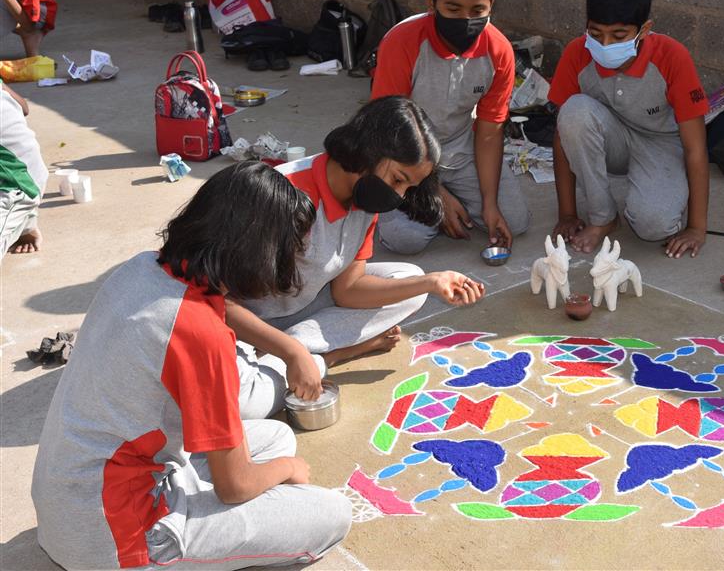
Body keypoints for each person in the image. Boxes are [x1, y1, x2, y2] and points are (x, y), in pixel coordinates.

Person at [31, 161, 352, 570]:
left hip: (69, 500)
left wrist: (290, 350)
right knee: (329, 512)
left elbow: (221, 314)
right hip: (115, 540)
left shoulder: (143, 267)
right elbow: (235, 486)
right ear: (260, 252)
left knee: (274, 436)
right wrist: (290, 470)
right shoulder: (201, 335)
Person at [226, 96, 486, 419]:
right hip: (244, 327)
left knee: (410, 283)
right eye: (398, 180)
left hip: (302, 310)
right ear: (369, 151)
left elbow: (347, 289)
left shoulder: (366, 199)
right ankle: (325, 355)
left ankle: (293, 356)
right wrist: (291, 351)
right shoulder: (283, 194)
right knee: (239, 403)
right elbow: (218, 303)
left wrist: (432, 282)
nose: (399, 196)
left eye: (408, 187)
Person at [370, 0, 529, 255]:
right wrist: (434, 195)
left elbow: (488, 133)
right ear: (431, 2)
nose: (465, 20)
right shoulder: (401, 42)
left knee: (514, 220)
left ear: (491, 4)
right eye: (453, 9)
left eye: (477, 11)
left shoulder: (498, 51)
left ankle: (447, 204)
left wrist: (489, 203)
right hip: (400, 153)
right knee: (407, 239)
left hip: (459, 150)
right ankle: (421, 205)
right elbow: (388, 131)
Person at [548, 0, 710, 257]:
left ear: (644, 30)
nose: (605, 44)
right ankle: (604, 218)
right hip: (612, 140)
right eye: (596, 33)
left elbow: (696, 147)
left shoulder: (673, 57)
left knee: (655, 225)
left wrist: (697, 227)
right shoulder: (577, 53)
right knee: (574, 112)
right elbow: (563, 136)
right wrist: (568, 214)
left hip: (659, 144)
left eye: (619, 35)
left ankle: (661, 185)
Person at [1, 81, 46, 258]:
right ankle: (22, 224)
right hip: (28, 168)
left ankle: (20, 217)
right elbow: (23, 107)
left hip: (15, 185)